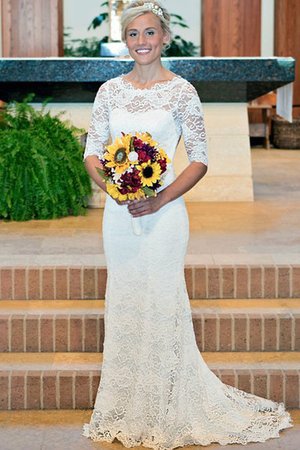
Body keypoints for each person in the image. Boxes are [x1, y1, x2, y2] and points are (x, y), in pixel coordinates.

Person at [82, 1, 292, 449]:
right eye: (133, 34)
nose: (141, 41)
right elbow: (92, 150)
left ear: (164, 37)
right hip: (119, 217)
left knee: (162, 302)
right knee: (124, 302)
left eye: (149, 33)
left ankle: (165, 406)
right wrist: (113, 189)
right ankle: (126, 405)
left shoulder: (182, 92)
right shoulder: (109, 92)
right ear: (125, 40)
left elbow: (200, 159)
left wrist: (159, 198)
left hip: (165, 216)